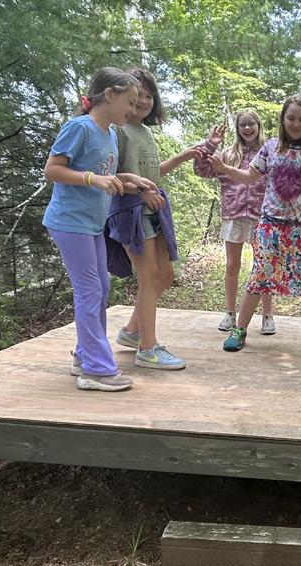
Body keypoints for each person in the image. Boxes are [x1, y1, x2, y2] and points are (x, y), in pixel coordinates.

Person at [40, 67, 151, 392]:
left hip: (91, 223)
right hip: (69, 222)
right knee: (89, 290)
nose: (133, 109)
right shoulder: (80, 127)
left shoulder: (110, 134)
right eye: (129, 101)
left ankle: (85, 356)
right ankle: (96, 370)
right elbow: (52, 170)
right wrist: (92, 179)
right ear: (109, 95)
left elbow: (106, 178)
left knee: (100, 287)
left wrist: (128, 181)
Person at [209, 96, 301, 357]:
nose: (296, 124)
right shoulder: (270, 147)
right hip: (270, 228)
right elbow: (249, 177)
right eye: (291, 118)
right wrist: (224, 168)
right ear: (283, 120)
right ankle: (239, 330)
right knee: (258, 278)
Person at [107, 68, 199, 370]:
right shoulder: (118, 130)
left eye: (149, 96)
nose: (143, 101)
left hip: (153, 209)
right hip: (129, 211)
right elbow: (110, 176)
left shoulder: (144, 131)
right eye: (138, 96)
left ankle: (132, 331)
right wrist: (141, 192)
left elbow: (152, 173)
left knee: (166, 276)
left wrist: (183, 156)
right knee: (148, 278)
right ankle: (148, 349)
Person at [193, 110, 276, 335]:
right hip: (233, 214)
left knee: (263, 266)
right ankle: (230, 313)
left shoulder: (268, 153)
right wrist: (210, 145)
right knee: (232, 265)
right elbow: (201, 170)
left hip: (262, 216)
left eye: (251, 124)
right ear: (238, 129)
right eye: (242, 125)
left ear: (259, 126)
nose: (247, 128)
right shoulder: (228, 154)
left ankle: (267, 315)